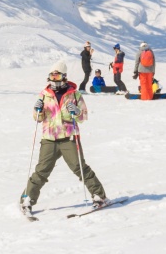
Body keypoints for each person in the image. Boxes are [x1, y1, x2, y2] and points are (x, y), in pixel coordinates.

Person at [22, 63, 108, 213]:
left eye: (57, 76)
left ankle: (99, 196)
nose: (54, 79)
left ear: (64, 77)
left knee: (79, 167)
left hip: (69, 137)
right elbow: (38, 118)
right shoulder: (44, 94)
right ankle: (27, 199)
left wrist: (77, 111)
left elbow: (83, 116)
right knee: (41, 170)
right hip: (49, 138)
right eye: (52, 76)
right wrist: (37, 110)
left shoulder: (74, 94)